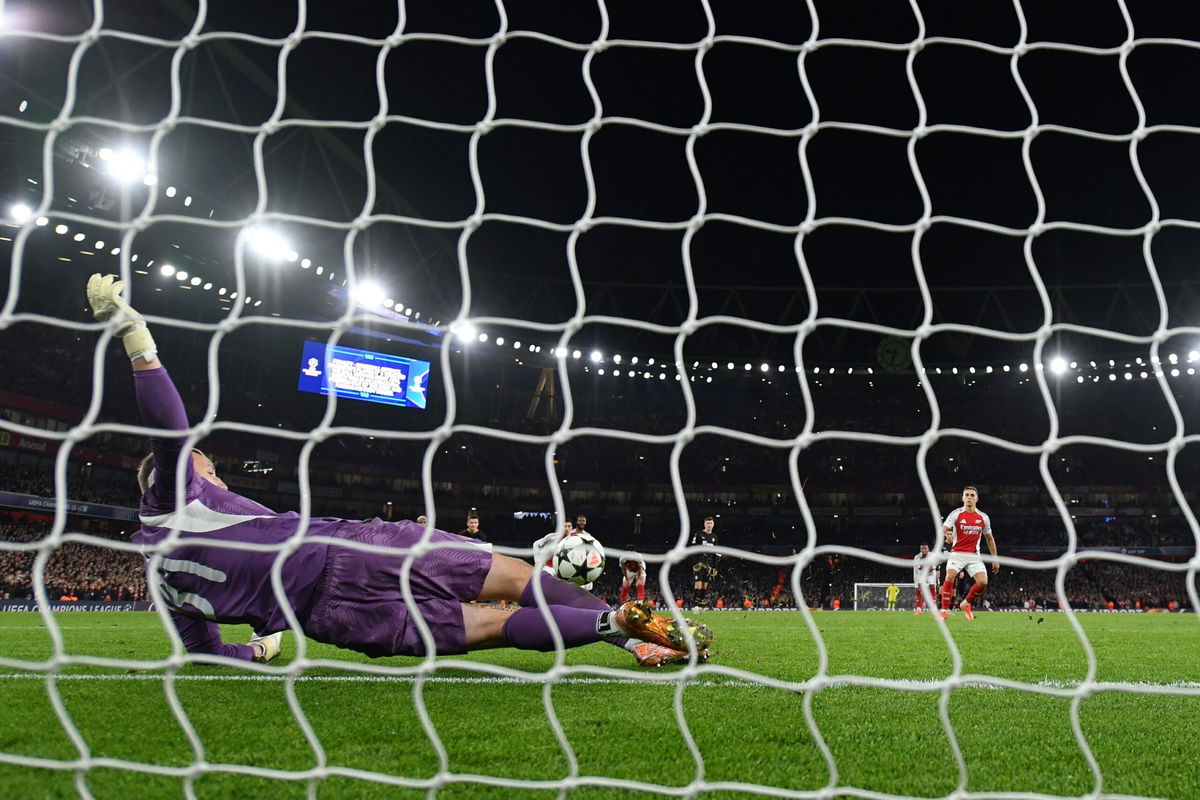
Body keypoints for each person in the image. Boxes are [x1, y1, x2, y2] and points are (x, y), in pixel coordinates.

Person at [86, 274, 712, 668]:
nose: (215, 475)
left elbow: (203, 656)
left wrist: (259, 646)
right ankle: (628, 632)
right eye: (208, 468)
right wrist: (137, 336)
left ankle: (615, 628)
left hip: (333, 617)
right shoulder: (176, 496)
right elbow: (171, 431)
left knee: (490, 626)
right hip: (356, 544)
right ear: (175, 476)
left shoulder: (164, 585)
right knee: (518, 578)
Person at [940, 486, 999, 621]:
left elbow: (989, 538)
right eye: (967, 495)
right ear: (962, 498)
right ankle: (944, 610)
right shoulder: (956, 514)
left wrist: (995, 559)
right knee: (950, 576)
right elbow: (943, 528)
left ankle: (966, 603)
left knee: (983, 582)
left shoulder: (983, 517)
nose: (969, 498)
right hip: (957, 553)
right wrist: (946, 537)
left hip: (973, 555)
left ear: (977, 498)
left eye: (972, 495)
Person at [690, 515, 718, 606]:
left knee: (704, 586)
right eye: (707, 523)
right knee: (698, 585)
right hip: (699, 564)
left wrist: (715, 567)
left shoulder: (714, 537)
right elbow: (693, 549)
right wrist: (694, 563)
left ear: (713, 524)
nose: (709, 525)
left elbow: (716, 554)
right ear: (704, 524)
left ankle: (701, 605)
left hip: (709, 566)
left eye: (711, 523)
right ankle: (694, 606)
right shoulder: (699, 534)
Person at [912, 543, 940, 615]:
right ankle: (918, 609)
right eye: (922, 548)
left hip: (931, 573)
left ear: (928, 549)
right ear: (920, 549)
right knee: (918, 590)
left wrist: (938, 570)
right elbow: (915, 570)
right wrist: (916, 584)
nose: (924, 550)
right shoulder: (917, 557)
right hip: (921, 574)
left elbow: (939, 563)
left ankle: (933, 608)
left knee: (932, 588)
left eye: (925, 548)